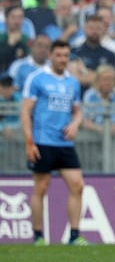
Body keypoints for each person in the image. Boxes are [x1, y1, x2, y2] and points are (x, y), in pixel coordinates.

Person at [19, 40, 88, 246]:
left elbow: (77, 111)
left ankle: (74, 235)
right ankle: (38, 236)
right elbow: (25, 110)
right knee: (41, 187)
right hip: (42, 141)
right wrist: (29, 142)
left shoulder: (72, 82)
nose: (62, 59)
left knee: (78, 185)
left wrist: (75, 124)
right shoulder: (37, 78)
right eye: (58, 55)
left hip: (64, 144)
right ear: (50, 55)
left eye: (66, 55)